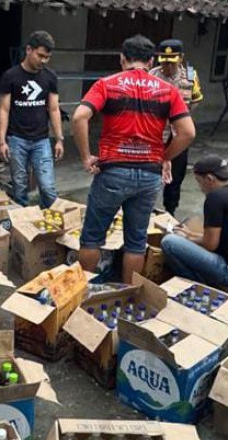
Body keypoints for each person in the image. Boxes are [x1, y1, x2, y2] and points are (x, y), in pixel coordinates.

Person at [71, 35, 195, 284]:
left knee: (92, 238)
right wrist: (163, 157)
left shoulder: (107, 84)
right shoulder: (168, 91)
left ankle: (81, 293)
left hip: (113, 171)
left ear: (122, 59)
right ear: (151, 61)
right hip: (149, 175)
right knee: (136, 242)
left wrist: (86, 157)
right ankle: (128, 295)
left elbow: (79, 117)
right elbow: (188, 133)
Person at [160, 155, 228, 299]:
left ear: (209, 179)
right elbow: (222, 237)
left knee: (169, 242)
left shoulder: (215, 198)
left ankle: (203, 288)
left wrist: (186, 238)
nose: (200, 188)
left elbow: (210, 244)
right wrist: (190, 235)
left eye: (199, 182)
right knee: (186, 236)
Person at [0, 31, 63, 209]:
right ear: (28, 50)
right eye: (40, 55)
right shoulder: (10, 76)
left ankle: (50, 221)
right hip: (17, 140)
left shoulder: (50, 77)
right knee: (19, 188)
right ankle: (22, 222)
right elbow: (4, 110)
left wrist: (59, 139)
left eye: (47, 57)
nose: (43, 61)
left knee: (48, 188)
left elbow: (54, 109)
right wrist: (1, 141)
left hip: (41, 140)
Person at [149, 39, 203, 217]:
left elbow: (195, 101)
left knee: (176, 175)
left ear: (181, 58)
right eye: (165, 62)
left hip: (178, 134)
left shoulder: (190, 76)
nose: (168, 66)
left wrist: (181, 119)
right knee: (150, 170)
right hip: (155, 132)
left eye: (172, 62)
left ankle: (170, 211)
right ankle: (147, 206)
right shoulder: (152, 75)